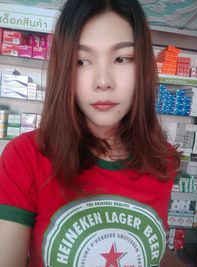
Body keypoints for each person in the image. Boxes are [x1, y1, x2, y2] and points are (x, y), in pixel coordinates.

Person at [0, 0, 186, 266]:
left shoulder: (162, 160)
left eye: (122, 58)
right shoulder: (26, 156)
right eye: (81, 61)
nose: (102, 81)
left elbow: (150, 246)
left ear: (142, 67)